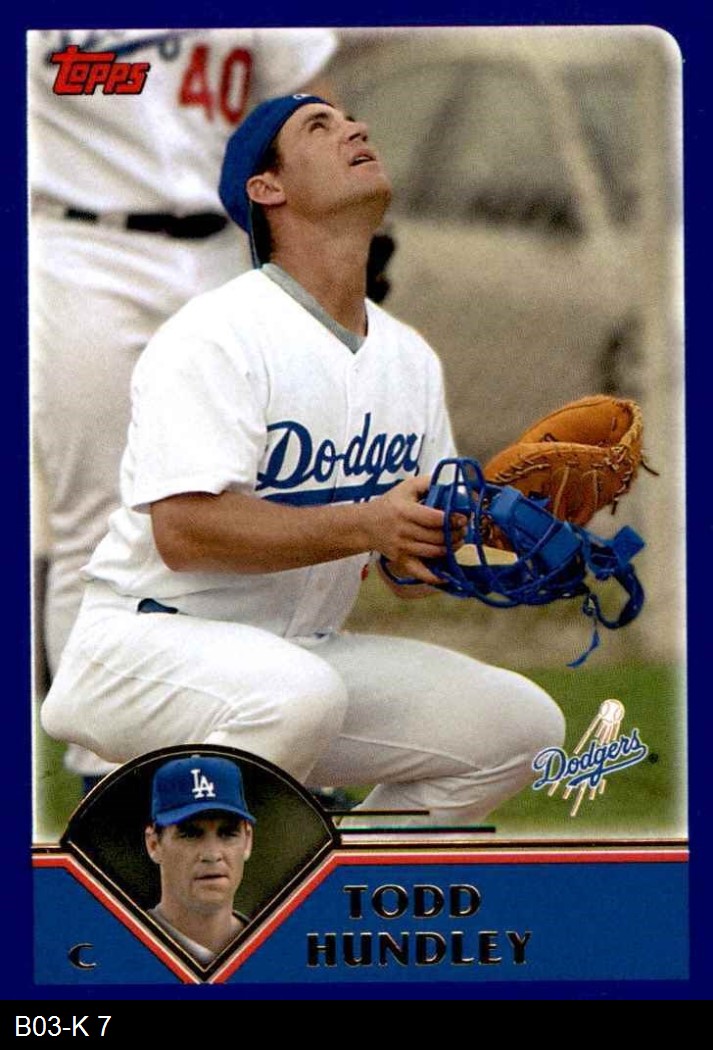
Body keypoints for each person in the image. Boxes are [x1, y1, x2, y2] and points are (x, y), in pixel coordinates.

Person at [41, 94, 565, 827]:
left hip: (297, 655)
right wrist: (368, 525)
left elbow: (402, 562)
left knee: (519, 728)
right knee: (295, 695)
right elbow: (185, 533)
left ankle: (339, 882)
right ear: (267, 188)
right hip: (143, 644)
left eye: (351, 120)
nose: (356, 128)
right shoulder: (217, 334)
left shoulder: (408, 357)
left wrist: (485, 540)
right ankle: (171, 879)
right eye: (320, 126)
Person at [28, 28, 338, 780]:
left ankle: (260, 750)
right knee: (98, 513)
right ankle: (108, 768)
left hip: (227, 250)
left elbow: (302, 101)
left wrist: (332, 226)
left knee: (253, 503)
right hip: (82, 246)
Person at [144, 755, 255, 964]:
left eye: (228, 833)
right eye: (190, 834)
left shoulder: (279, 954)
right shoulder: (121, 950)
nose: (212, 855)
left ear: (247, 840)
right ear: (154, 844)